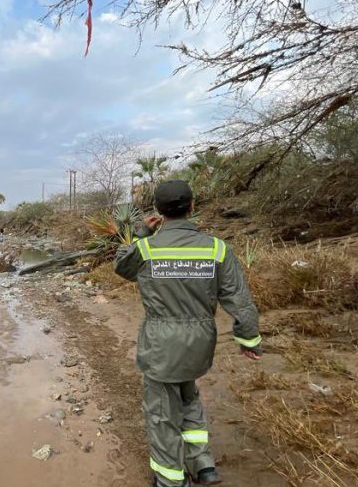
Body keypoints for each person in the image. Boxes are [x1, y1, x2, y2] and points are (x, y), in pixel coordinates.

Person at [114, 180, 262, 487]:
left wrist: (142, 232)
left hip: (162, 343)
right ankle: (203, 464)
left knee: (161, 412)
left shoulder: (145, 248)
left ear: (157, 211)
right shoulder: (217, 248)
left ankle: (170, 478)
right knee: (189, 395)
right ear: (192, 207)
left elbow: (121, 267)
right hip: (200, 341)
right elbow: (239, 298)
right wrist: (249, 339)